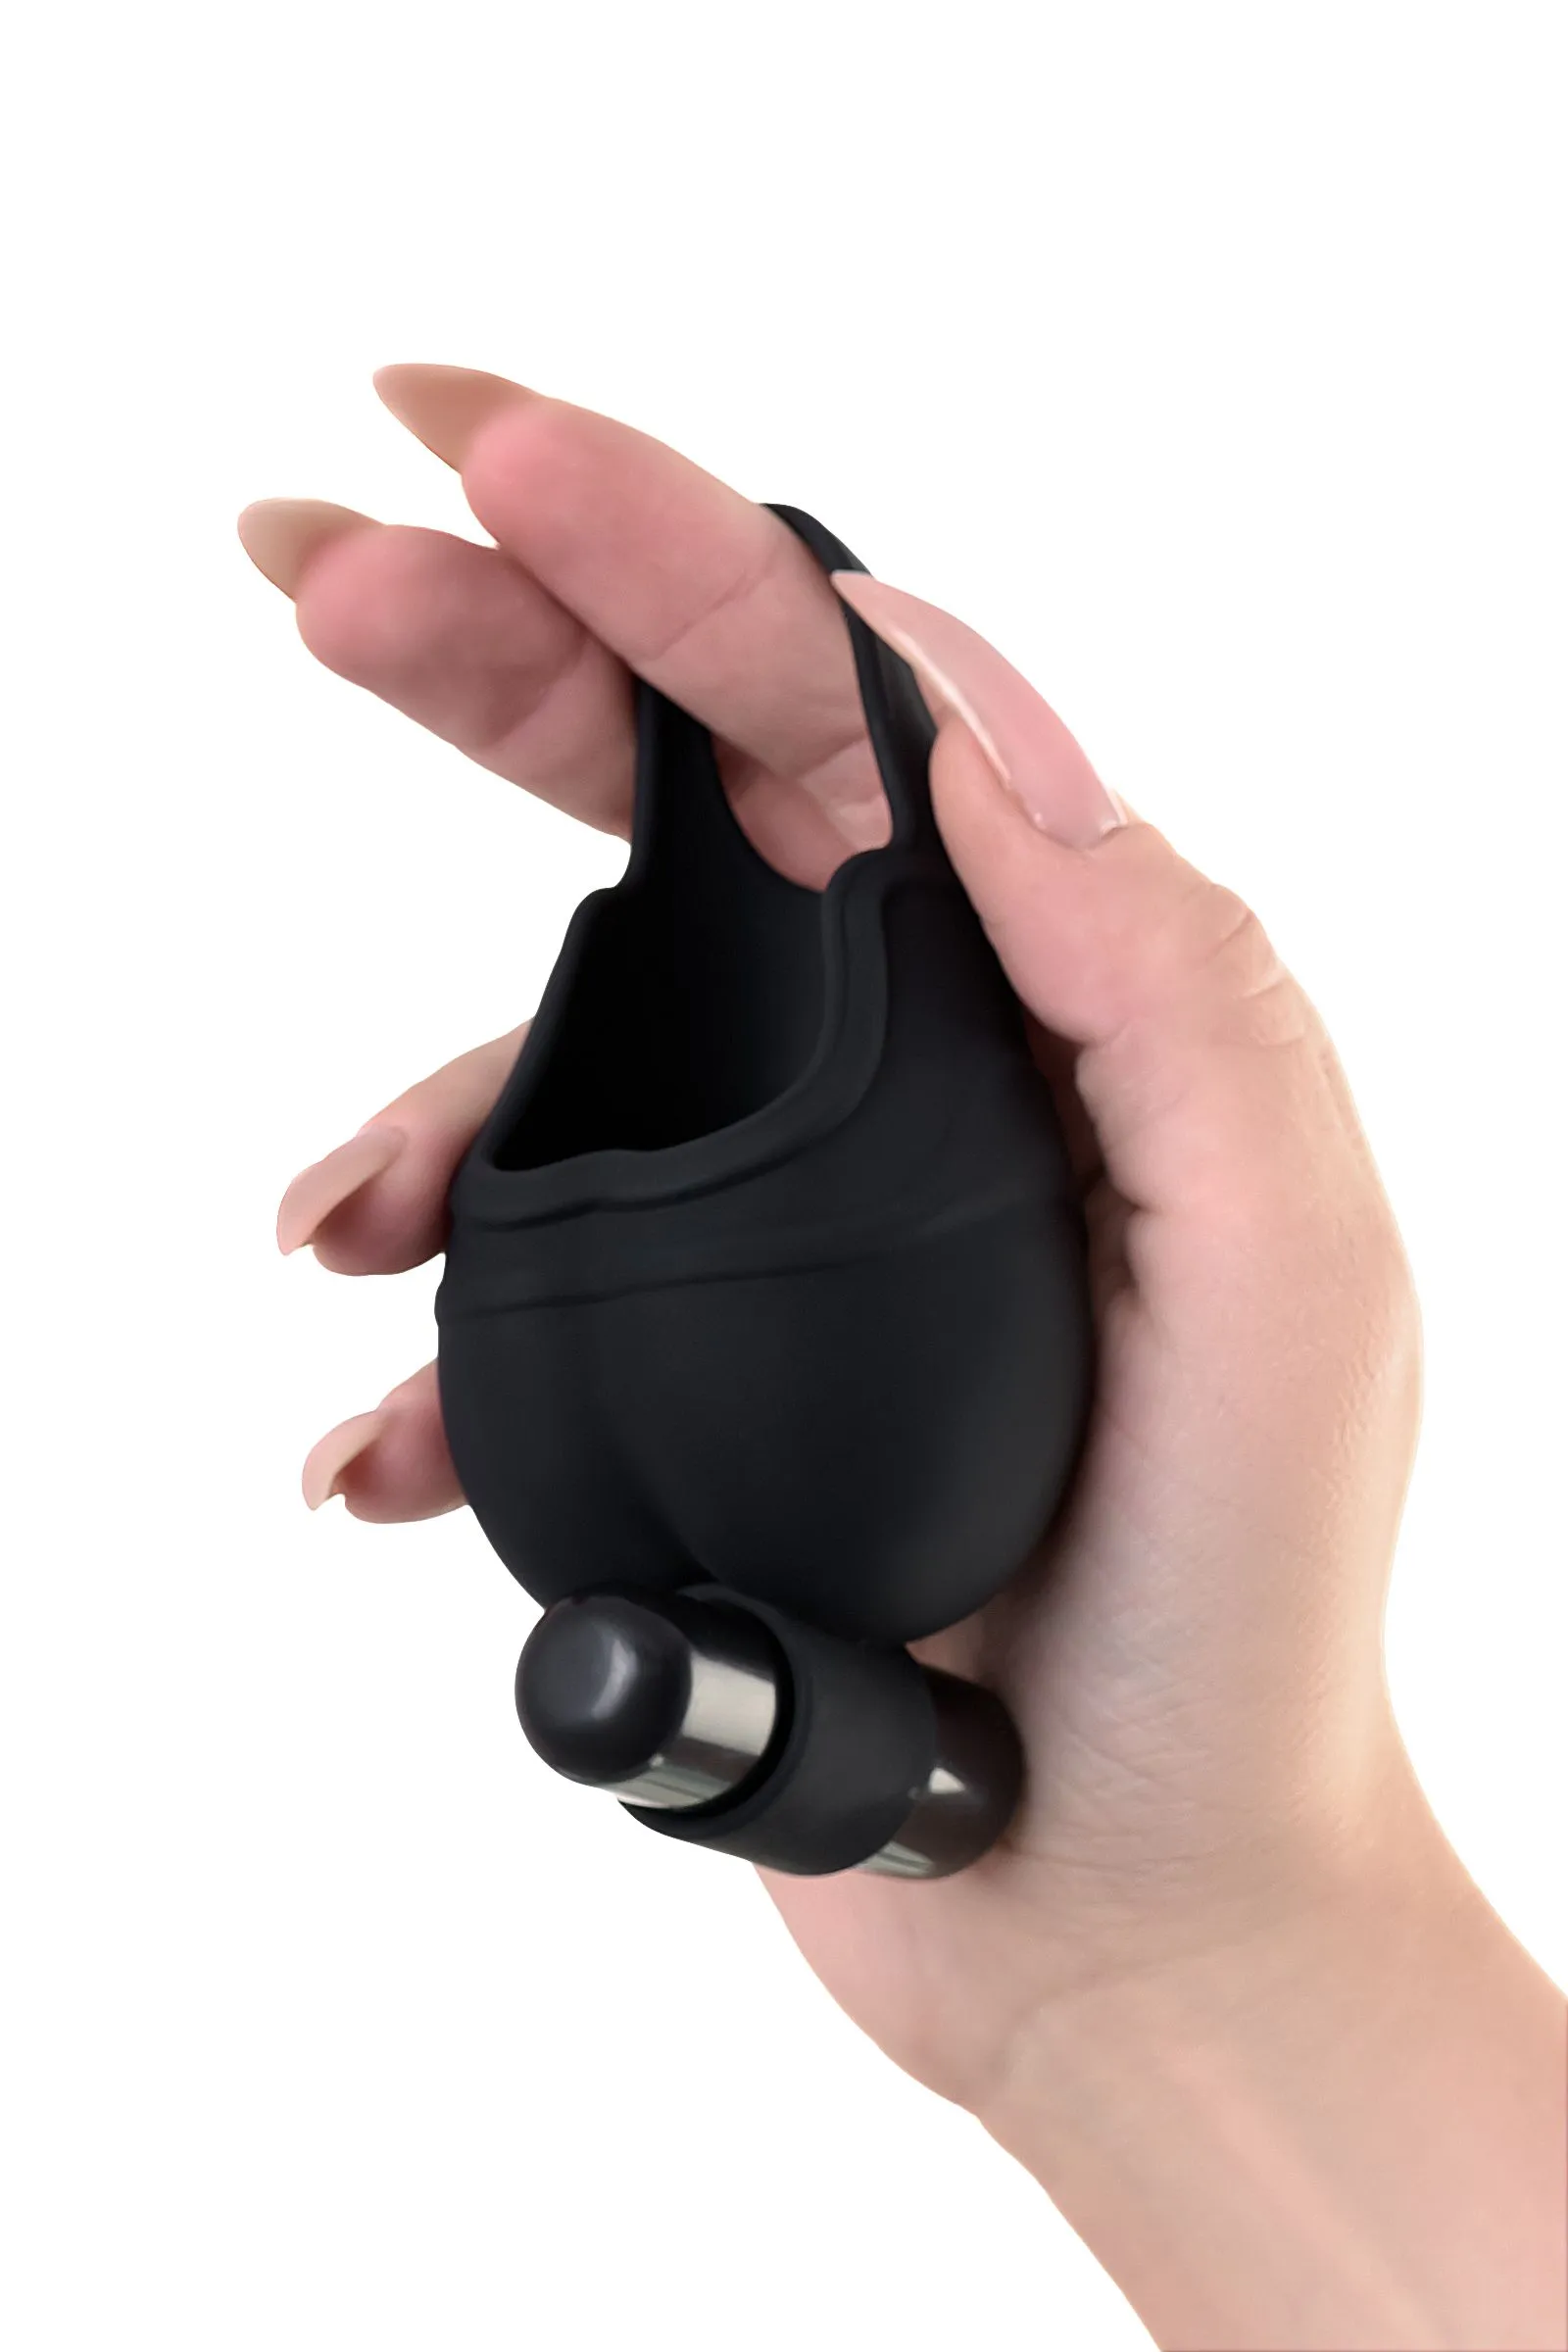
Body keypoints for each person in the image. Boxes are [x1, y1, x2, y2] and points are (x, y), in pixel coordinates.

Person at [239, 366, 1567, 2352]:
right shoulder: (895, 1489)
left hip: (712, 1448)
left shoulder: (878, 1466)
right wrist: (1189, 1963)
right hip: (812, 1449)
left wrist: (1206, 1939)